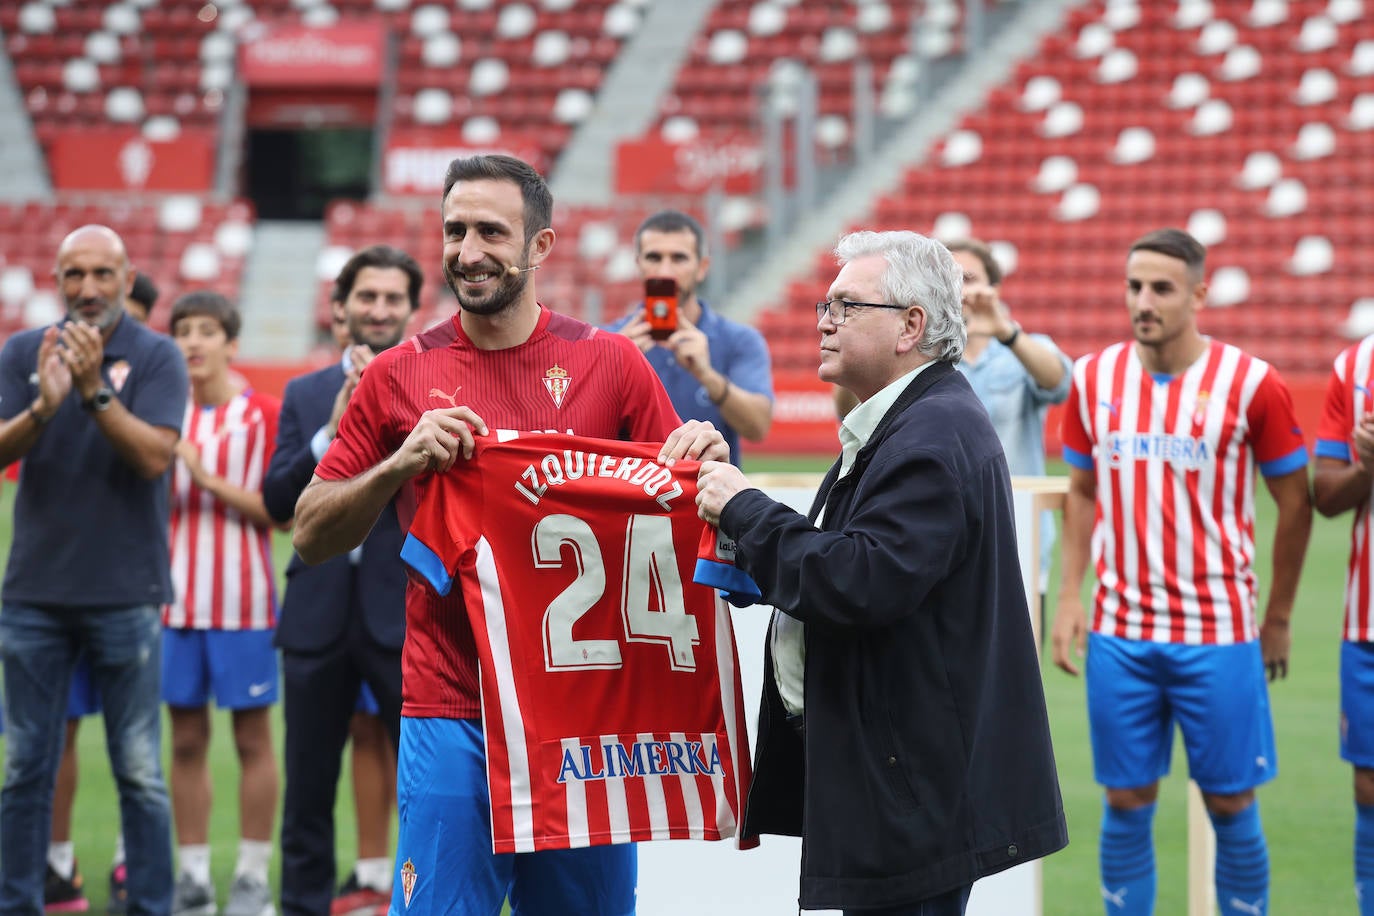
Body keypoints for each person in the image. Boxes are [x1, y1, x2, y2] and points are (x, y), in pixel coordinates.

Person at [290, 154, 726, 916]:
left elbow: (678, 504)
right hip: (452, 703)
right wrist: (399, 463)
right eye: (455, 231)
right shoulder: (398, 375)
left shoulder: (613, 364)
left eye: (491, 231)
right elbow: (310, 533)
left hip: (582, 723)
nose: (468, 251)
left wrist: (706, 465)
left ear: (541, 247)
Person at [695, 229, 1067, 915]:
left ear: (911, 327)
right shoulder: (917, 420)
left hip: (911, 788)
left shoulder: (929, 435)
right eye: (824, 304)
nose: (826, 320)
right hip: (901, 777)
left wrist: (746, 510)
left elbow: (858, 580)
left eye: (847, 305)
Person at [1051, 228, 1312, 916]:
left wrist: (1278, 618)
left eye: (1161, 288)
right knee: (1126, 799)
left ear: (1199, 293)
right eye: (1134, 286)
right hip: (1119, 629)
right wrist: (1070, 596)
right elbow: (1081, 493)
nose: (1144, 301)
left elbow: (1296, 503)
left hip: (1218, 631)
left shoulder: (1253, 383)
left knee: (1230, 801)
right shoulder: (1092, 378)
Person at [0, 225, 182, 914]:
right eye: (74, 274)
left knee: (139, 772)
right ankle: (17, 903)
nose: (88, 289)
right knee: (23, 770)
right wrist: (43, 409)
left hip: (126, 592)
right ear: (55, 279)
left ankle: (152, 906)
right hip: (34, 595)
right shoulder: (23, 351)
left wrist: (93, 392)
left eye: (103, 274)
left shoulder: (157, 356)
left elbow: (155, 458)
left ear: (128, 277)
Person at [262, 245, 423, 916]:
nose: (379, 310)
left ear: (413, 312)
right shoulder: (303, 394)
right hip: (317, 613)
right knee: (306, 790)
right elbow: (276, 503)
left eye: (392, 299)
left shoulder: (433, 388)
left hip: (407, 611)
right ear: (340, 308)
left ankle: (426, 903)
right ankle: (303, 906)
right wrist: (334, 425)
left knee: (428, 784)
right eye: (367, 297)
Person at [161, 291, 282, 916]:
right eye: (183, 330)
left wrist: (206, 479)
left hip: (244, 604)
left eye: (207, 330)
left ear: (231, 343)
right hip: (174, 605)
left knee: (252, 739)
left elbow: (280, 512)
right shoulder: (161, 412)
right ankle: (193, 878)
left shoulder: (261, 414)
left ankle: (253, 879)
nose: (193, 342)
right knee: (184, 741)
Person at [606, 209, 773, 464]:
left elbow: (758, 427)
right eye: (654, 257)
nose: (665, 270)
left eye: (678, 258)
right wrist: (615, 366)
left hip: (708, 496)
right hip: (632, 499)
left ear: (702, 267)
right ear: (639, 265)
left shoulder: (740, 339)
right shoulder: (607, 341)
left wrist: (707, 374)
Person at [1312, 334, 1374, 915]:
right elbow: (1325, 494)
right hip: (1368, 622)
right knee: (1369, 791)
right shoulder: (1356, 365)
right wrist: (1369, 470)